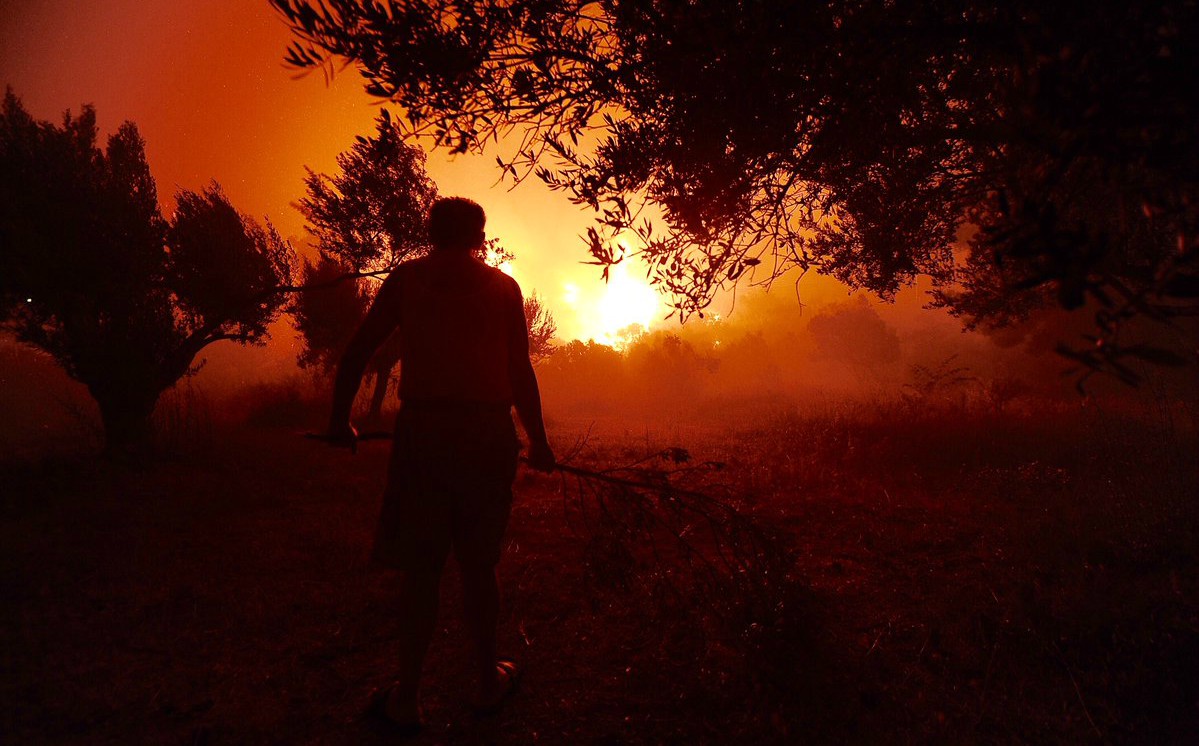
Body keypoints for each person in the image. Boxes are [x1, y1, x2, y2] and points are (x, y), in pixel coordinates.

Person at [325, 197, 555, 734]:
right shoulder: (503, 288)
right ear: (479, 235)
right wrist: (538, 441)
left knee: (421, 571)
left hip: (423, 436)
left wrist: (340, 422)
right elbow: (520, 371)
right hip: (487, 435)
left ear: (432, 232)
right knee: (480, 566)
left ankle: (407, 697)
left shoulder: (407, 281)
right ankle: (485, 682)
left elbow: (358, 351)